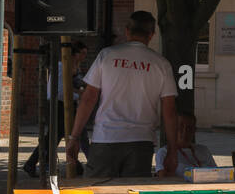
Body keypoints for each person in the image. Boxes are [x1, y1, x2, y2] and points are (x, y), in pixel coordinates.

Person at [65, 11, 178, 179]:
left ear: (127, 31)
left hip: (106, 137)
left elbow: (88, 99)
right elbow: (169, 111)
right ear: (152, 34)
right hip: (141, 141)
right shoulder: (161, 64)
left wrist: (74, 137)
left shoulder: (107, 55)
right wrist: (173, 150)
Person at [22, 40, 87, 177]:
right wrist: (78, 96)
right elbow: (59, 92)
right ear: (75, 54)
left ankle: (33, 164)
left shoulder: (75, 66)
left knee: (55, 138)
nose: (84, 56)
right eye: (83, 53)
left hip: (67, 106)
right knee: (62, 137)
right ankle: (76, 165)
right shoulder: (62, 67)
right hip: (58, 105)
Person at [153, 112, 217, 176]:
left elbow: (216, 173)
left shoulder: (203, 150)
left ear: (194, 130)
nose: (185, 132)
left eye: (189, 128)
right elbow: (162, 177)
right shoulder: (165, 152)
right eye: (180, 127)